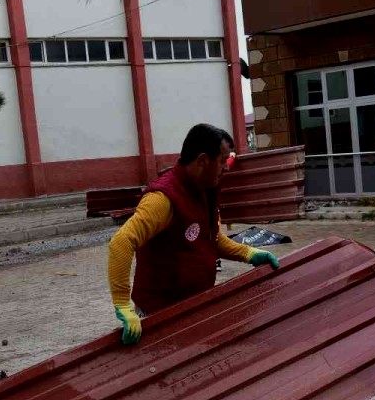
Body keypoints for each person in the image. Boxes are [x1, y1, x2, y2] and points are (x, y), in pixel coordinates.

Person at [107, 123, 280, 345]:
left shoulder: (204, 190)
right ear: (202, 160)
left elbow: (210, 238)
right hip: (159, 315)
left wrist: (248, 253)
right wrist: (122, 304)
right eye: (222, 161)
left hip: (192, 306)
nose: (226, 168)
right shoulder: (163, 199)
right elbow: (121, 243)